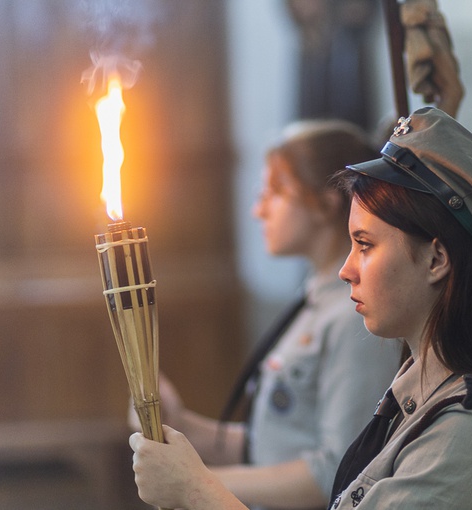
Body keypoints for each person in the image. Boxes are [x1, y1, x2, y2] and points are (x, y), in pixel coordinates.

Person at [130, 107, 472, 509]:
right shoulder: (420, 385)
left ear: (437, 259)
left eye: (364, 245)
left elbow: (323, 479)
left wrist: (196, 490)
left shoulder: (468, 426)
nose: (346, 271)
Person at [135, 119, 403, 510]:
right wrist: (180, 424)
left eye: (276, 193)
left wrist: (195, 481)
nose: (258, 209)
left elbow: (339, 471)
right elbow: (276, 443)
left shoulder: (356, 316)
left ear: (326, 204)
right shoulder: (314, 299)